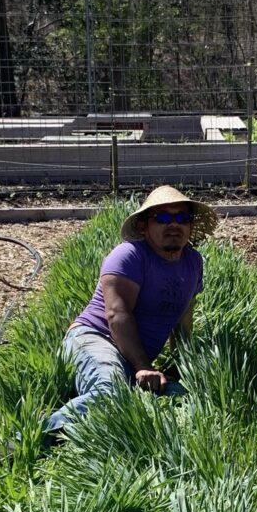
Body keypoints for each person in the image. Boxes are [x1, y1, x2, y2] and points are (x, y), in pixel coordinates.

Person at [44, 185, 218, 433]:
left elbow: (183, 321)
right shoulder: (129, 256)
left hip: (134, 358)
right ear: (144, 226)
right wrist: (144, 366)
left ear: (190, 226)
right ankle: (35, 436)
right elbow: (117, 315)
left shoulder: (193, 262)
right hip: (95, 338)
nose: (173, 225)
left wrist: (183, 368)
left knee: (186, 401)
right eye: (163, 218)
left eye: (182, 218)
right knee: (110, 392)